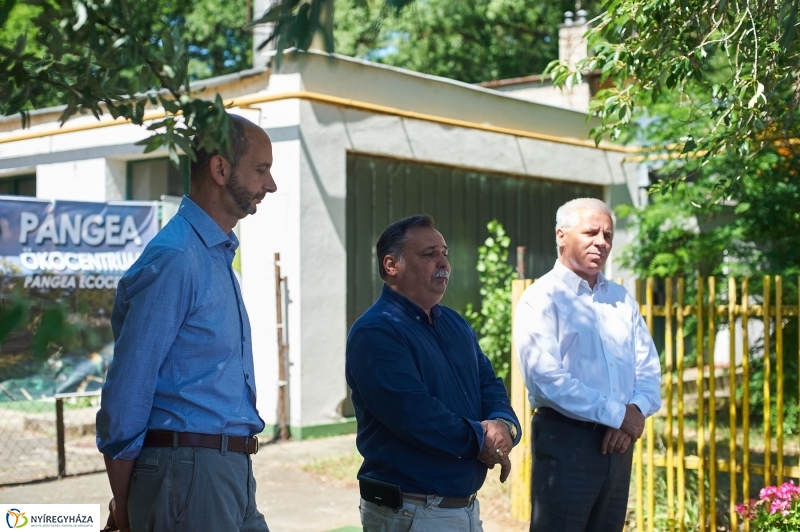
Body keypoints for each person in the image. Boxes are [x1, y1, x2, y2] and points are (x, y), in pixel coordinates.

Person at [96, 114, 277, 532]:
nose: (270, 185)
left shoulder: (211, 254)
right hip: (190, 471)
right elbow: (127, 391)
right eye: (261, 169)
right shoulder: (177, 258)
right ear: (220, 169)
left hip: (225, 471)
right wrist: (124, 507)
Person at [346, 215, 522, 532]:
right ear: (391, 265)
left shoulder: (454, 324)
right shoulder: (377, 332)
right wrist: (480, 437)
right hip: (413, 511)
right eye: (429, 254)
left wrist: (505, 425)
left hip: (462, 507)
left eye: (445, 253)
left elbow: (489, 385)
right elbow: (416, 416)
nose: (443, 263)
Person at [513, 197, 662, 532]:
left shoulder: (620, 299)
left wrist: (634, 411)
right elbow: (547, 380)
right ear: (561, 235)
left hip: (619, 446)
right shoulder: (541, 299)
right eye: (591, 232)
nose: (601, 242)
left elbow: (648, 368)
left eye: (607, 235)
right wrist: (619, 415)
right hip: (568, 443)